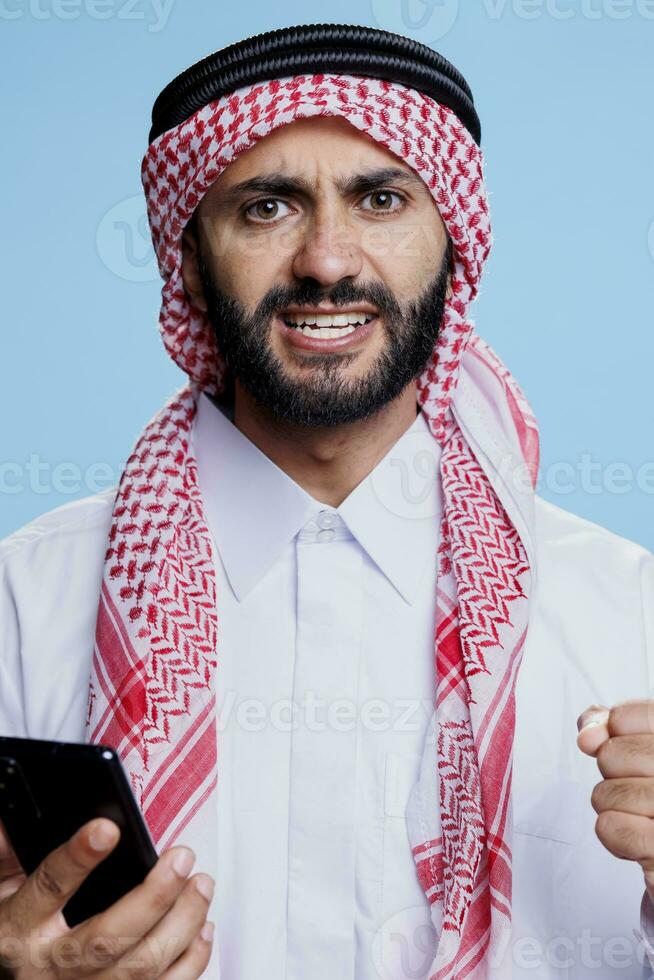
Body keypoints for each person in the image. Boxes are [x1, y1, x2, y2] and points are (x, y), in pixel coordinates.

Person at [0, 21, 653, 980]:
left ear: (455, 243)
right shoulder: (24, 603)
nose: (328, 261)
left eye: (382, 200)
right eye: (267, 208)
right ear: (186, 258)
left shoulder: (626, 612)